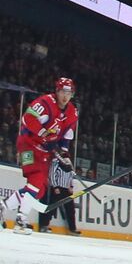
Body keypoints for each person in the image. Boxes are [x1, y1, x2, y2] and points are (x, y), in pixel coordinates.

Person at [2, 77, 79, 234]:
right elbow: (28, 119)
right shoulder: (45, 103)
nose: (65, 96)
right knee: (36, 181)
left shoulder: (72, 112)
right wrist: (44, 135)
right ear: (56, 91)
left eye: (69, 92)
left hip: (44, 151)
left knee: (40, 189)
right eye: (62, 92)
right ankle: (21, 220)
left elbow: (66, 137)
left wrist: (65, 156)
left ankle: (4, 206)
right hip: (27, 146)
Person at [38, 152, 81, 235]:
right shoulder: (56, 163)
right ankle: (44, 225)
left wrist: (71, 186)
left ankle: (72, 229)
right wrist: (55, 186)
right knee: (51, 207)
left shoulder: (69, 165)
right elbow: (52, 175)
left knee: (70, 209)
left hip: (66, 189)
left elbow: (71, 176)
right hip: (58, 189)